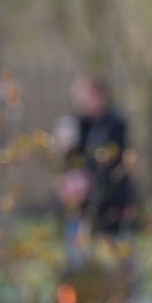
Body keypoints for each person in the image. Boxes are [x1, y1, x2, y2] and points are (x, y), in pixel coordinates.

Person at [60, 73, 139, 241]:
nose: (81, 100)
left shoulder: (115, 123)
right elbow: (72, 159)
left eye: (85, 94)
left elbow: (119, 161)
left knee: (119, 250)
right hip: (85, 202)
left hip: (112, 199)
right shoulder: (80, 124)